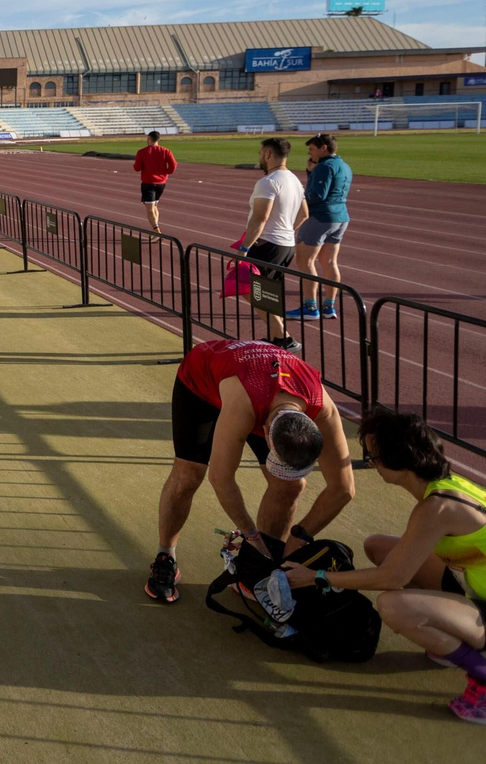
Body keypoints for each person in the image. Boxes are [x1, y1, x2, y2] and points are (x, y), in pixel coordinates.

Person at [283, 411, 486, 723]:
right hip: (474, 584)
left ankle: (481, 672)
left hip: (480, 599)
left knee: (393, 605)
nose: (371, 463)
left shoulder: (436, 508)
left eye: (374, 457)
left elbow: (393, 577)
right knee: (378, 546)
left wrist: (317, 577)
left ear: (400, 461)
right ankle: (453, 632)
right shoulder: (447, 487)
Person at [145, 338, 353, 603]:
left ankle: (258, 569)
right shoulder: (242, 407)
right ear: (265, 432)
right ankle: (165, 556)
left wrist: (299, 537)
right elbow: (221, 479)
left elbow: (344, 489)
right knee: (189, 474)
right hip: (203, 380)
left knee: (291, 485)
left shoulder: (322, 407)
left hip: (265, 387)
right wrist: (251, 536)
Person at [239, 138, 306, 353]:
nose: (259, 157)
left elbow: (260, 218)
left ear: (268, 154)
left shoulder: (268, 182)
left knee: (249, 289)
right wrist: (286, 230)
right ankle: (278, 339)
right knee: (267, 292)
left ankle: (284, 338)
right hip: (285, 244)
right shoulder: (294, 179)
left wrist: (244, 248)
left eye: (260, 153)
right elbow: (304, 213)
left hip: (268, 243)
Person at [286, 134, 352, 322]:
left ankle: (310, 307)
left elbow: (317, 195)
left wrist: (298, 197)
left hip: (320, 217)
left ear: (324, 148)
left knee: (305, 261)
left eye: (312, 149)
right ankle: (328, 306)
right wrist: (310, 172)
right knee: (330, 262)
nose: (309, 153)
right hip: (341, 217)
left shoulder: (325, 166)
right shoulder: (344, 166)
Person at [133, 130, 178, 235]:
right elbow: (173, 165)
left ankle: (156, 230)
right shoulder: (166, 151)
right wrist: (166, 173)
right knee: (155, 206)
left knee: (150, 209)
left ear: (149, 139)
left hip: (148, 183)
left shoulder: (142, 152)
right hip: (161, 183)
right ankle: (156, 229)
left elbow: (137, 168)